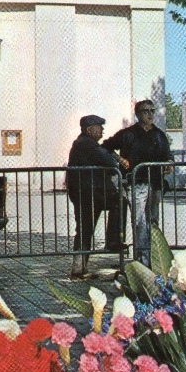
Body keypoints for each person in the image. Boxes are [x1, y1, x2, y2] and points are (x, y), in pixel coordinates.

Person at [102, 99, 173, 267]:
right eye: (145, 111)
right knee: (140, 222)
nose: (149, 114)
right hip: (136, 184)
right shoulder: (127, 134)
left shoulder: (159, 135)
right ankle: (141, 260)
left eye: (152, 111)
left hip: (155, 183)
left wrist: (169, 163)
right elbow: (106, 146)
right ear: (137, 114)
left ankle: (155, 260)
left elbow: (167, 155)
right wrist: (120, 159)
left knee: (152, 222)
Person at [66, 115, 120, 280]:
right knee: (85, 228)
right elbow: (110, 162)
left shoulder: (85, 143)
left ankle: (79, 267)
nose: (102, 129)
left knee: (85, 229)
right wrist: (114, 159)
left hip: (89, 192)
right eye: (99, 126)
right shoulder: (86, 144)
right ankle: (112, 240)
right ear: (89, 129)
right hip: (88, 193)